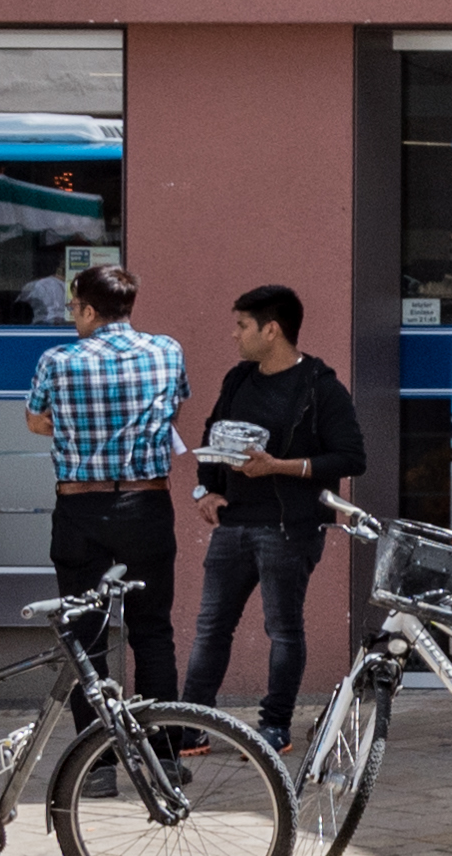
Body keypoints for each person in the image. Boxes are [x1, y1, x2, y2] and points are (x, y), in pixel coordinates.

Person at [182, 284, 369, 756]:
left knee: (282, 629)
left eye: (242, 326)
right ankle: (191, 724)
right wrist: (207, 489)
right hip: (234, 524)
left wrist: (279, 468)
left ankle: (275, 727)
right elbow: (213, 432)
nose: (234, 335)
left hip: (289, 528)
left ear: (272, 330)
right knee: (211, 627)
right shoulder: (239, 378)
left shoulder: (321, 387)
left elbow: (351, 457)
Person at [22, 257, 186, 705]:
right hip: (147, 504)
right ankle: (164, 754)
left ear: (90, 311)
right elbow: (174, 407)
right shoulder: (166, 351)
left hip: (81, 508)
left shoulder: (57, 360)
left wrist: (78, 426)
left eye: (74, 308)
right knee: (153, 629)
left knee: (83, 636)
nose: (72, 316)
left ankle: (95, 765)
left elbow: (35, 422)